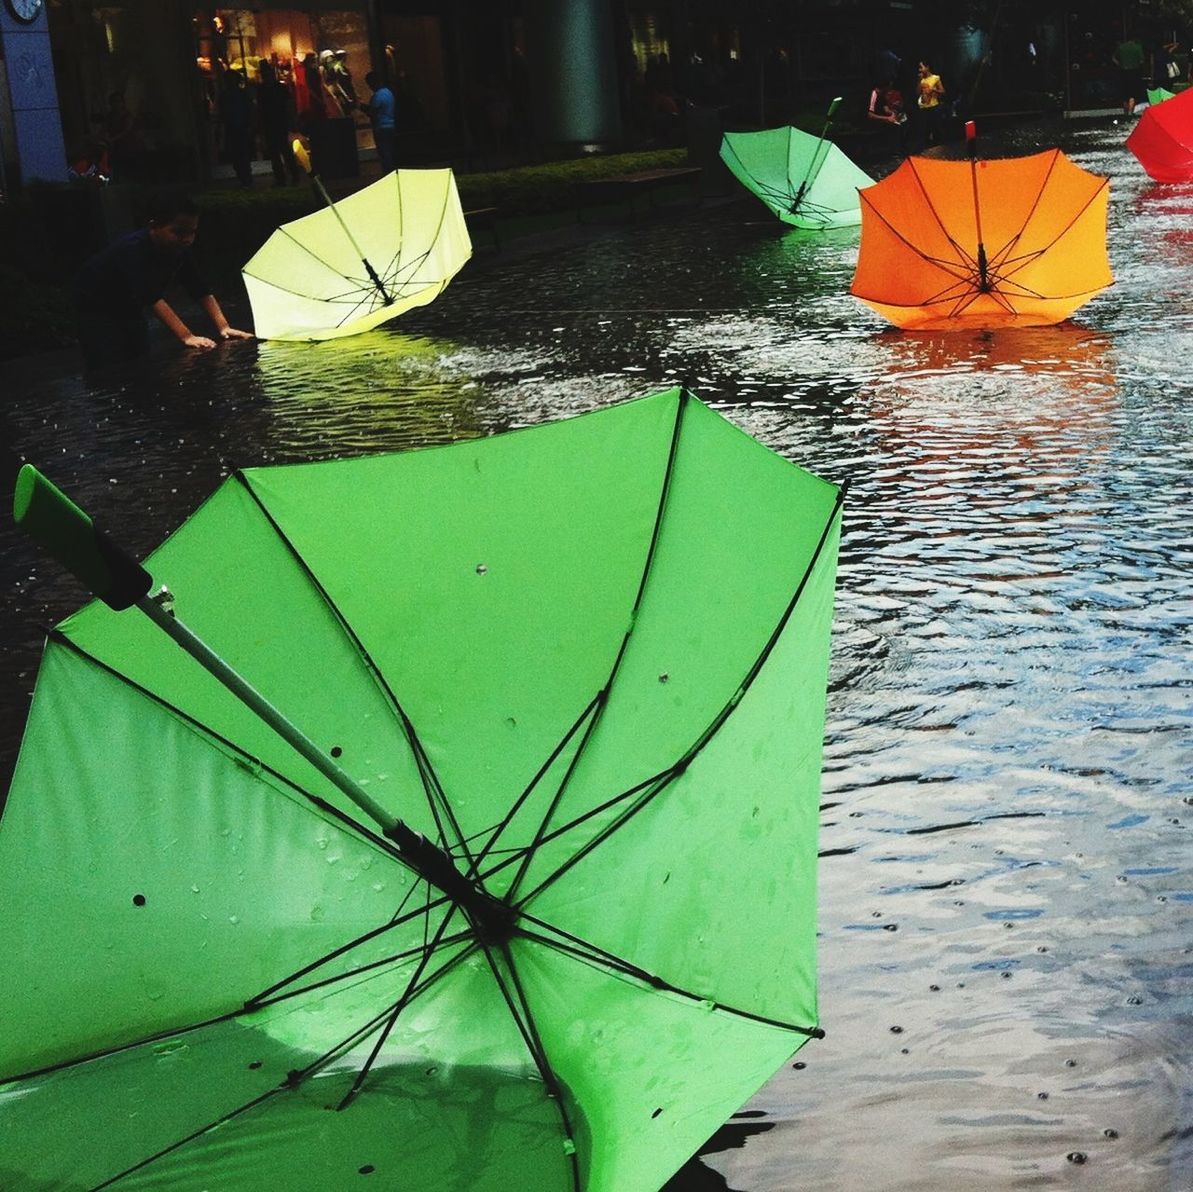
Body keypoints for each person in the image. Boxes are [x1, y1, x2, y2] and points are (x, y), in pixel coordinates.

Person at [72, 191, 252, 371]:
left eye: (192, 232)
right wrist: (187, 336)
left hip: (128, 303)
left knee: (138, 350)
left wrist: (224, 327)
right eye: (178, 232)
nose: (187, 239)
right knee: (105, 358)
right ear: (153, 227)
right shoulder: (133, 249)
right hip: (94, 305)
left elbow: (199, 288)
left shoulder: (180, 250)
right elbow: (151, 296)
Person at [257, 59, 299, 187]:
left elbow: (288, 105)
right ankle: (288, 176)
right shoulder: (275, 88)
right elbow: (288, 105)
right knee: (280, 151)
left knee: (280, 151)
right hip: (275, 122)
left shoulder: (264, 89)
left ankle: (286, 176)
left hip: (276, 122)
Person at [363, 70, 396, 174]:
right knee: (391, 151)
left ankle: (387, 173)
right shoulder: (388, 93)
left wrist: (359, 106)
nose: (369, 86)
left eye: (369, 83)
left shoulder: (377, 96)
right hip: (391, 125)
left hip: (381, 127)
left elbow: (372, 112)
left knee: (384, 153)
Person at [1113, 33, 1146, 117]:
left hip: (1123, 71)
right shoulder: (1137, 47)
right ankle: (1130, 111)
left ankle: (1125, 111)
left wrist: (1120, 64)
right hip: (1134, 71)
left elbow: (1114, 58)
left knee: (1124, 92)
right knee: (1132, 92)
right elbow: (1141, 60)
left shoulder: (1121, 47)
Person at [916, 60, 946, 146]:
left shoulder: (935, 78)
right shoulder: (921, 80)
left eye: (921, 67)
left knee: (937, 129)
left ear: (927, 67)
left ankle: (940, 147)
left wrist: (933, 90)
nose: (920, 70)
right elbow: (917, 93)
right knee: (925, 130)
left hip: (934, 107)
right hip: (923, 107)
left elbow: (943, 91)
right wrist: (919, 81)